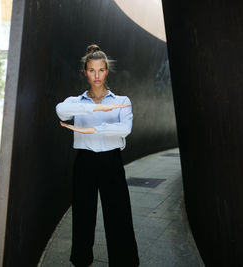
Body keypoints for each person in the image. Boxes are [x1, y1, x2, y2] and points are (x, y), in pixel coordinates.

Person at [55, 44, 140, 267]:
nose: (97, 75)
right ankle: (82, 261)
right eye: (92, 70)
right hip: (85, 162)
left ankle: (124, 262)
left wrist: (93, 128)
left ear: (107, 71)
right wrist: (93, 108)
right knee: (83, 216)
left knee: (119, 216)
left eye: (101, 70)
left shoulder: (122, 101)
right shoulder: (75, 101)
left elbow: (124, 130)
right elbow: (60, 111)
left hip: (112, 162)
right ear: (85, 72)